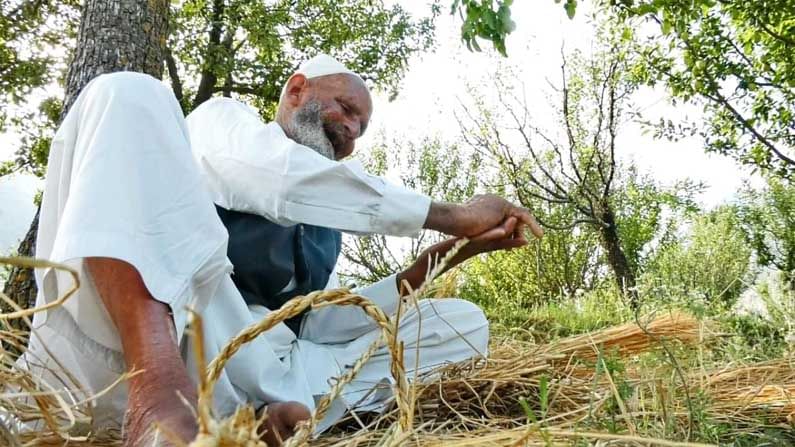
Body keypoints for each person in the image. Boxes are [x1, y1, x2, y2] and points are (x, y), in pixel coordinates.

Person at [19, 55, 542, 446]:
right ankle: (155, 394)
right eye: (346, 108)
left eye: (361, 127)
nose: (352, 130)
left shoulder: (331, 224)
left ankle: (256, 421)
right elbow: (280, 180)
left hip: (246, 374)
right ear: (296, 90)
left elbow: (318, 325)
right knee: (128, 91)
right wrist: (453, 212)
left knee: (462, 323)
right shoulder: (221, 125)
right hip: (123, 353)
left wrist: (449, 251)